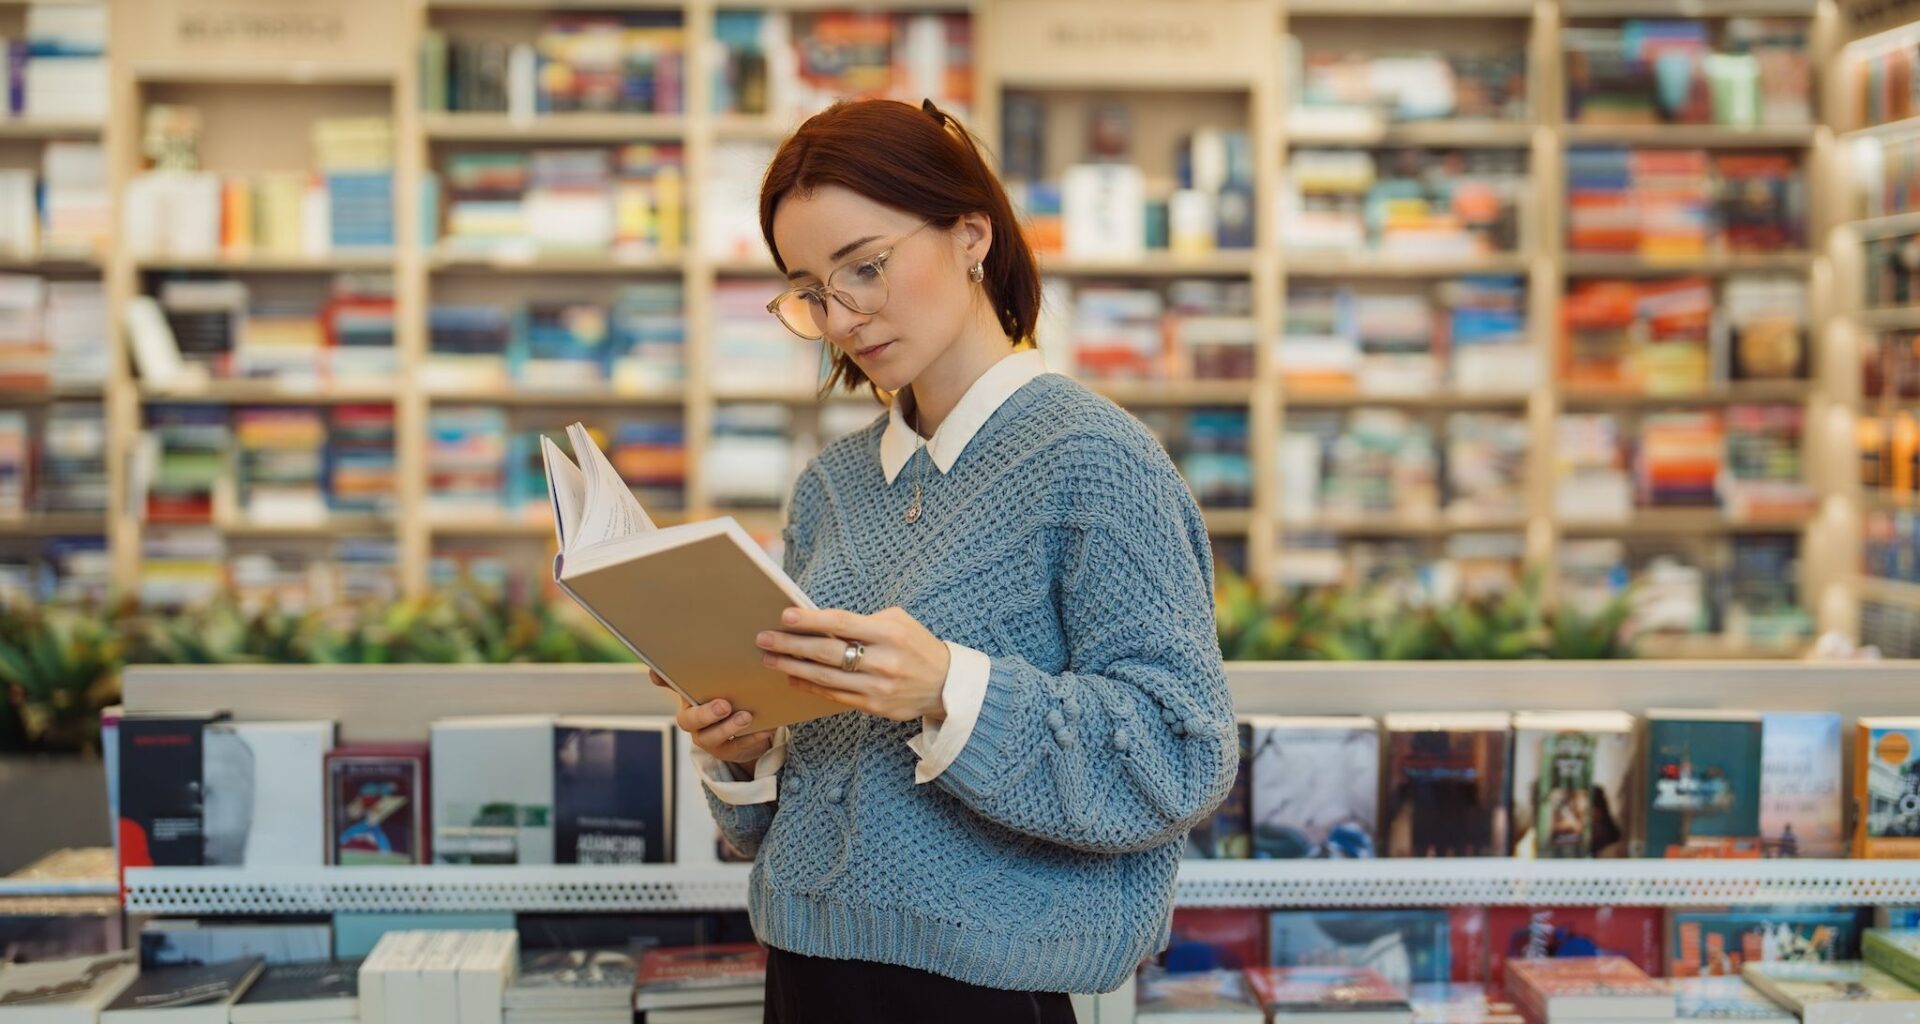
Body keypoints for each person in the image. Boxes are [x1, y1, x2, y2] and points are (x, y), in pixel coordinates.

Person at [651, 97, 1238, 1024]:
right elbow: (772, 823)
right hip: (805, 974)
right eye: (811, 291)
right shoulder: (832, 485)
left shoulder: (1096, 459)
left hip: (988, 988)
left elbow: (1181, 752)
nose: (843, 316)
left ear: (971, 234)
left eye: (866, 267)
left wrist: (948, 688)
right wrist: (747, 747)